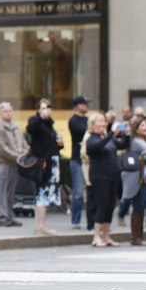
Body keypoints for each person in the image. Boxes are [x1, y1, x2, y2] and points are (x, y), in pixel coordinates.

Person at [85, 113, 129, 246]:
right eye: (99, 122)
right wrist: (111, 133)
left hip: (112, 176)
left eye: (103, 122)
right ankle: (96, 236)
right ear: (92, 125)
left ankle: (106, 236)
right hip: (100, 177)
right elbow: (97, 147)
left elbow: (122, 145)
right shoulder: (92, 139)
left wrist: (126, 133)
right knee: (102, 205)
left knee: (110, 206)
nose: (102, 124)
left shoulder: (108, 138)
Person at [26, 99, 63, 235]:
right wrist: (41, 117)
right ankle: (40, 225)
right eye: (42, 108)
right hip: (42, 163)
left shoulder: (49, 123)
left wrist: (60, 144)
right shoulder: (36, 121)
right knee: (42, 192)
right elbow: (30, 129)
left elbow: (50, 141)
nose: (45, 110)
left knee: (46, 192)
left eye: (47, 108)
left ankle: (40, 225)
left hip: (51, 160)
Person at [0, 101, 28, 227]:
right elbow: (0, 147)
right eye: (5, 111)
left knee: (11, 191)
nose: (8, 113)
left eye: (10, 110)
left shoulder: (16, 127)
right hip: (2, 162)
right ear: (0, 113)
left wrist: (24, 153)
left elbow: (23, 142)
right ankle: (2, 217)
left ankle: (10, 216)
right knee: (2, 190)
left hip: (14, 163)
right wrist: (18, 156)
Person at [121, 115, 146, 246]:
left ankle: (139, 236)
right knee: (138, 205)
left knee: (141, 205)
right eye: (143, 126)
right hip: (136, 178)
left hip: (142, 177)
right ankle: (136, 237)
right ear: (136, 129)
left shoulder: (143, 140)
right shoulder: (136, 141)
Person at [68, 96, 90, 229]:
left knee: (91, 191)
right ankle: (75, 220)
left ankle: (91, 220)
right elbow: (85, 131)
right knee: (78, 193)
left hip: (89, 159)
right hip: (77, 159)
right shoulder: (73, 121)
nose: (87, 106)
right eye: (84, 104)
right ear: (78, 106)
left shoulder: (88, 120)